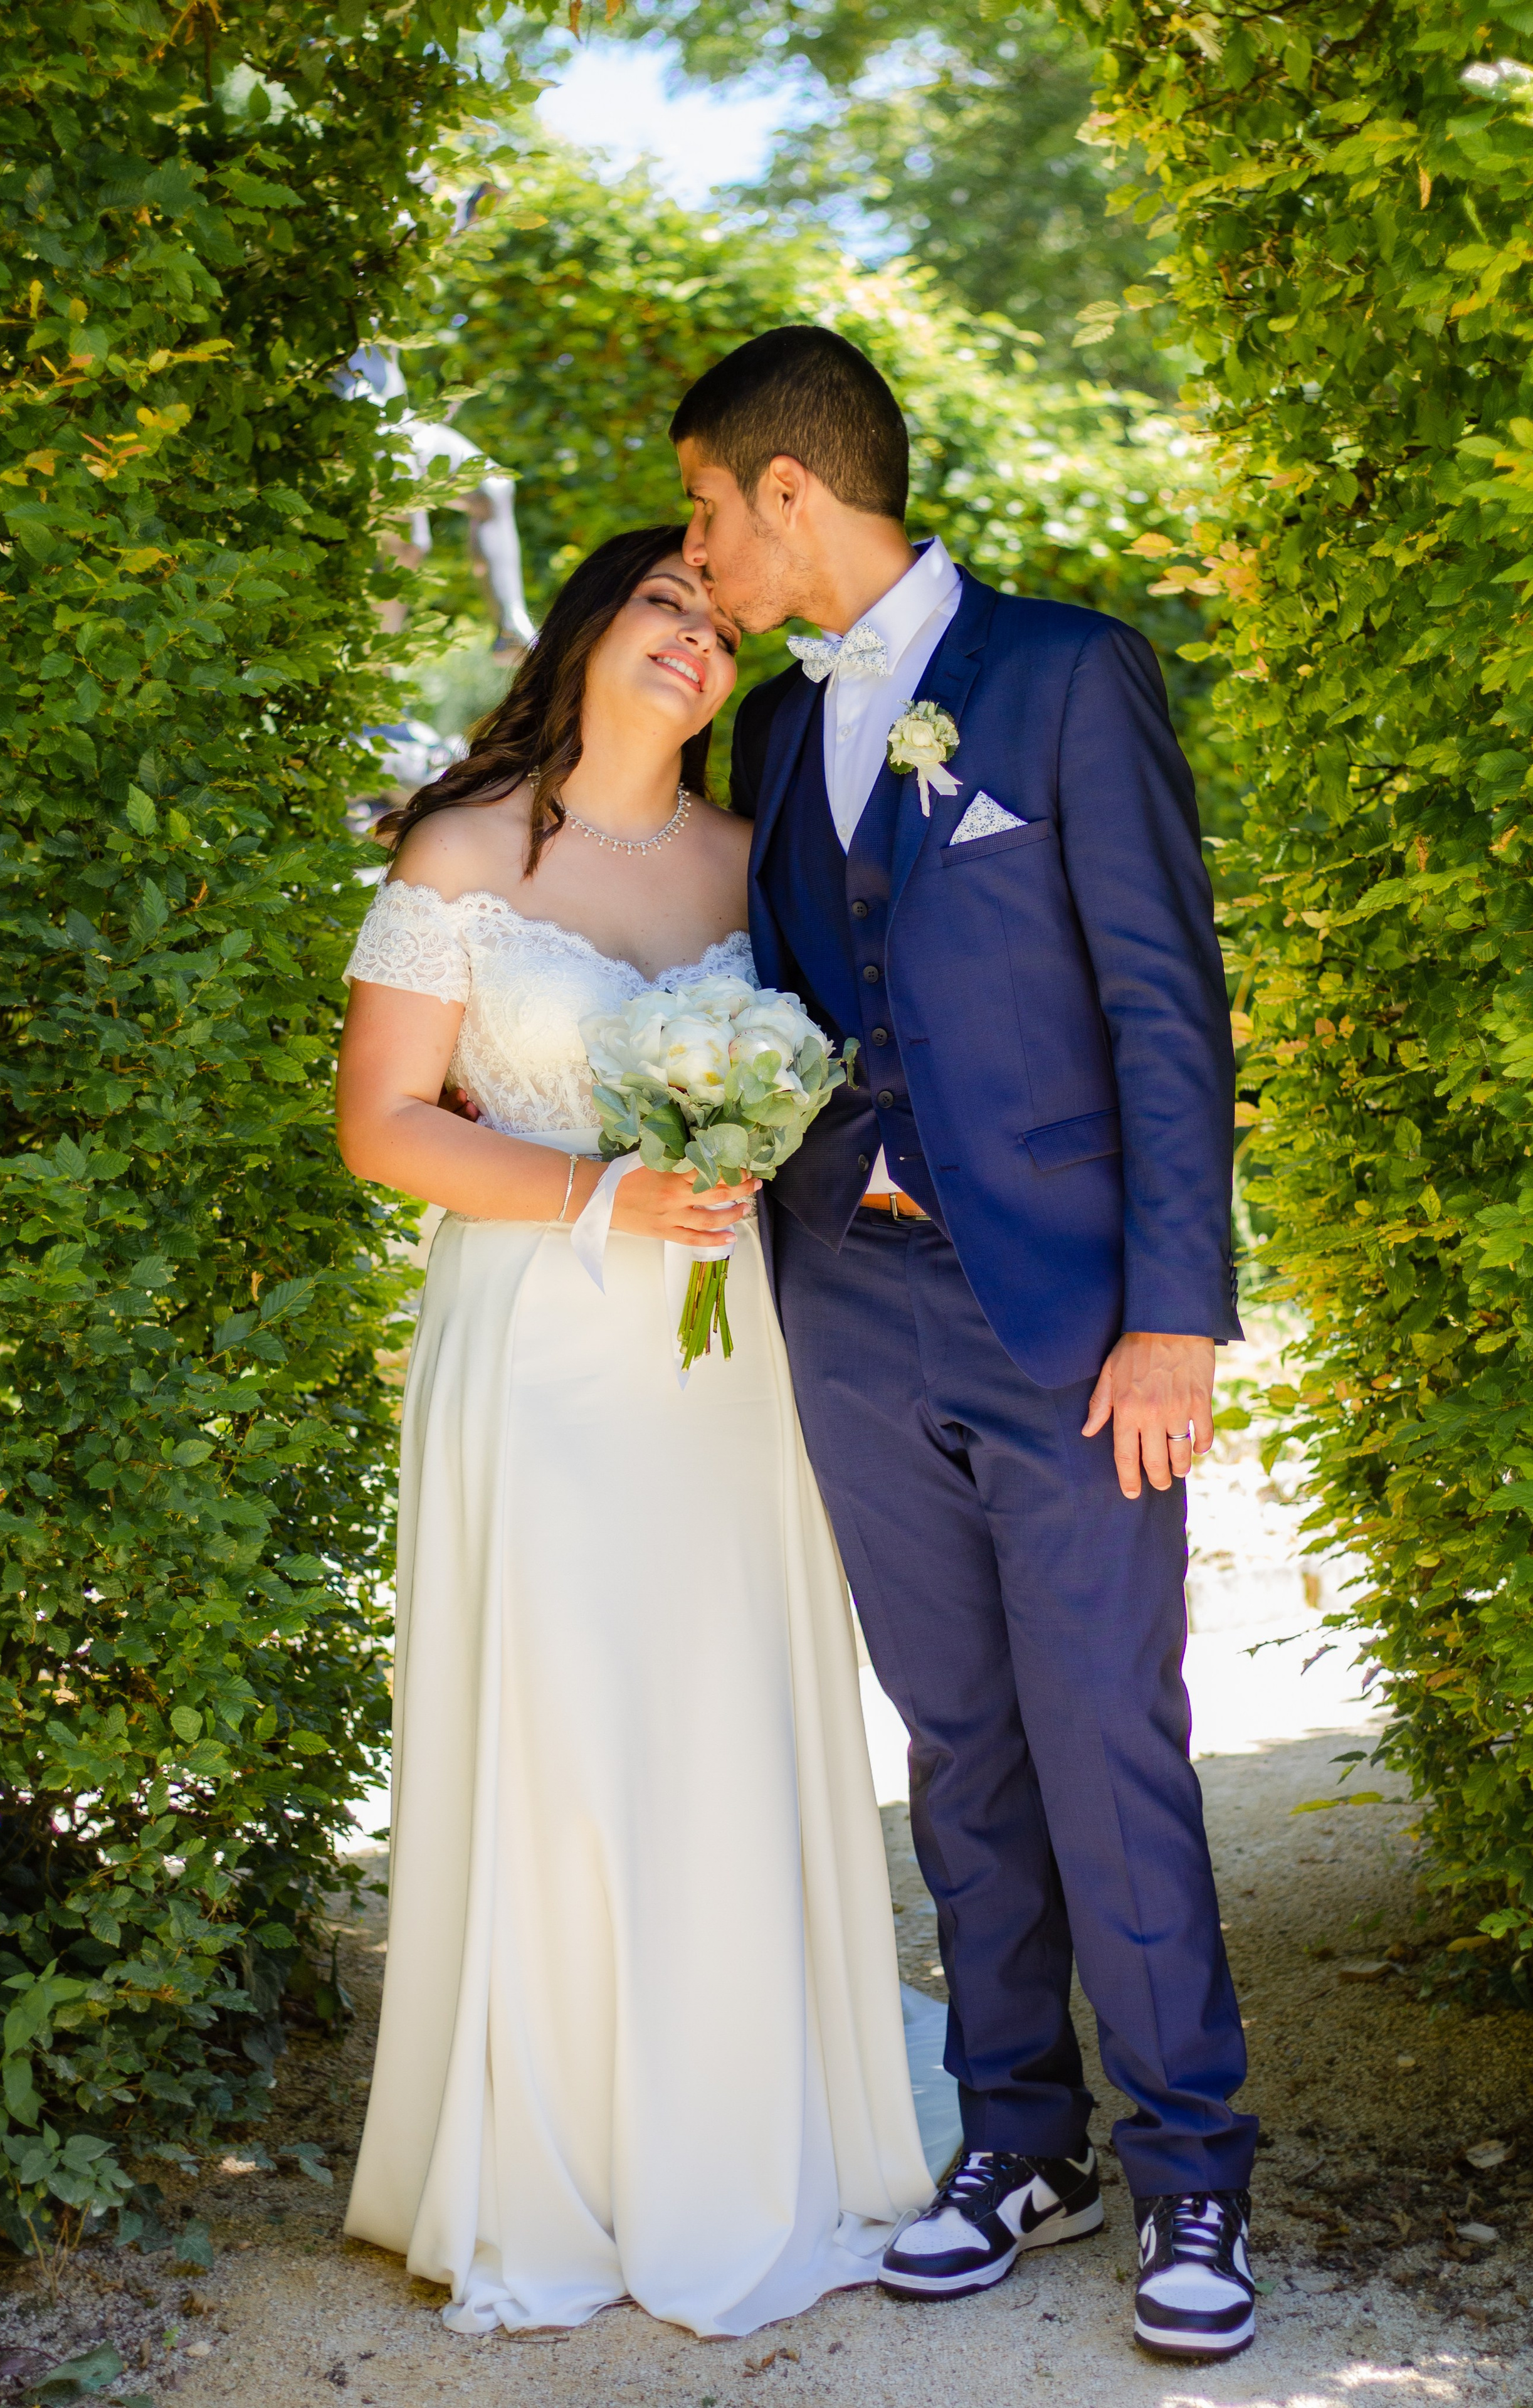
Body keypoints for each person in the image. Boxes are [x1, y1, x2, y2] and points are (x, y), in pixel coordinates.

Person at [672, 327, 1258, 2364]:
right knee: (957, 1741)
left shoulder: (1066, 675)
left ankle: (1194, 2168)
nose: (697, 553)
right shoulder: (770, 736)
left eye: (701, 507)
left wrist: (1177, 1313)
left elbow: (1169, 1008)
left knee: (1110, 1731)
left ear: (788, 493)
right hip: (848, 1299)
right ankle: (1022, 2138)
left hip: (1072, 1318)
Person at [334, 525, 932, 2338]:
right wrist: (602, 1196)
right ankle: (550, 2152)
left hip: (730, 1360)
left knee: (722, 1704)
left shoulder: (760, 865)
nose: (698, 638)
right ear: (591, 630)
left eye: (722, 623)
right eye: (665, 603)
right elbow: (384, 1126)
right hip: (539, 1352)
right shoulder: (466, 849)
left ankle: (750, 2118)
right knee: (561, 1720)